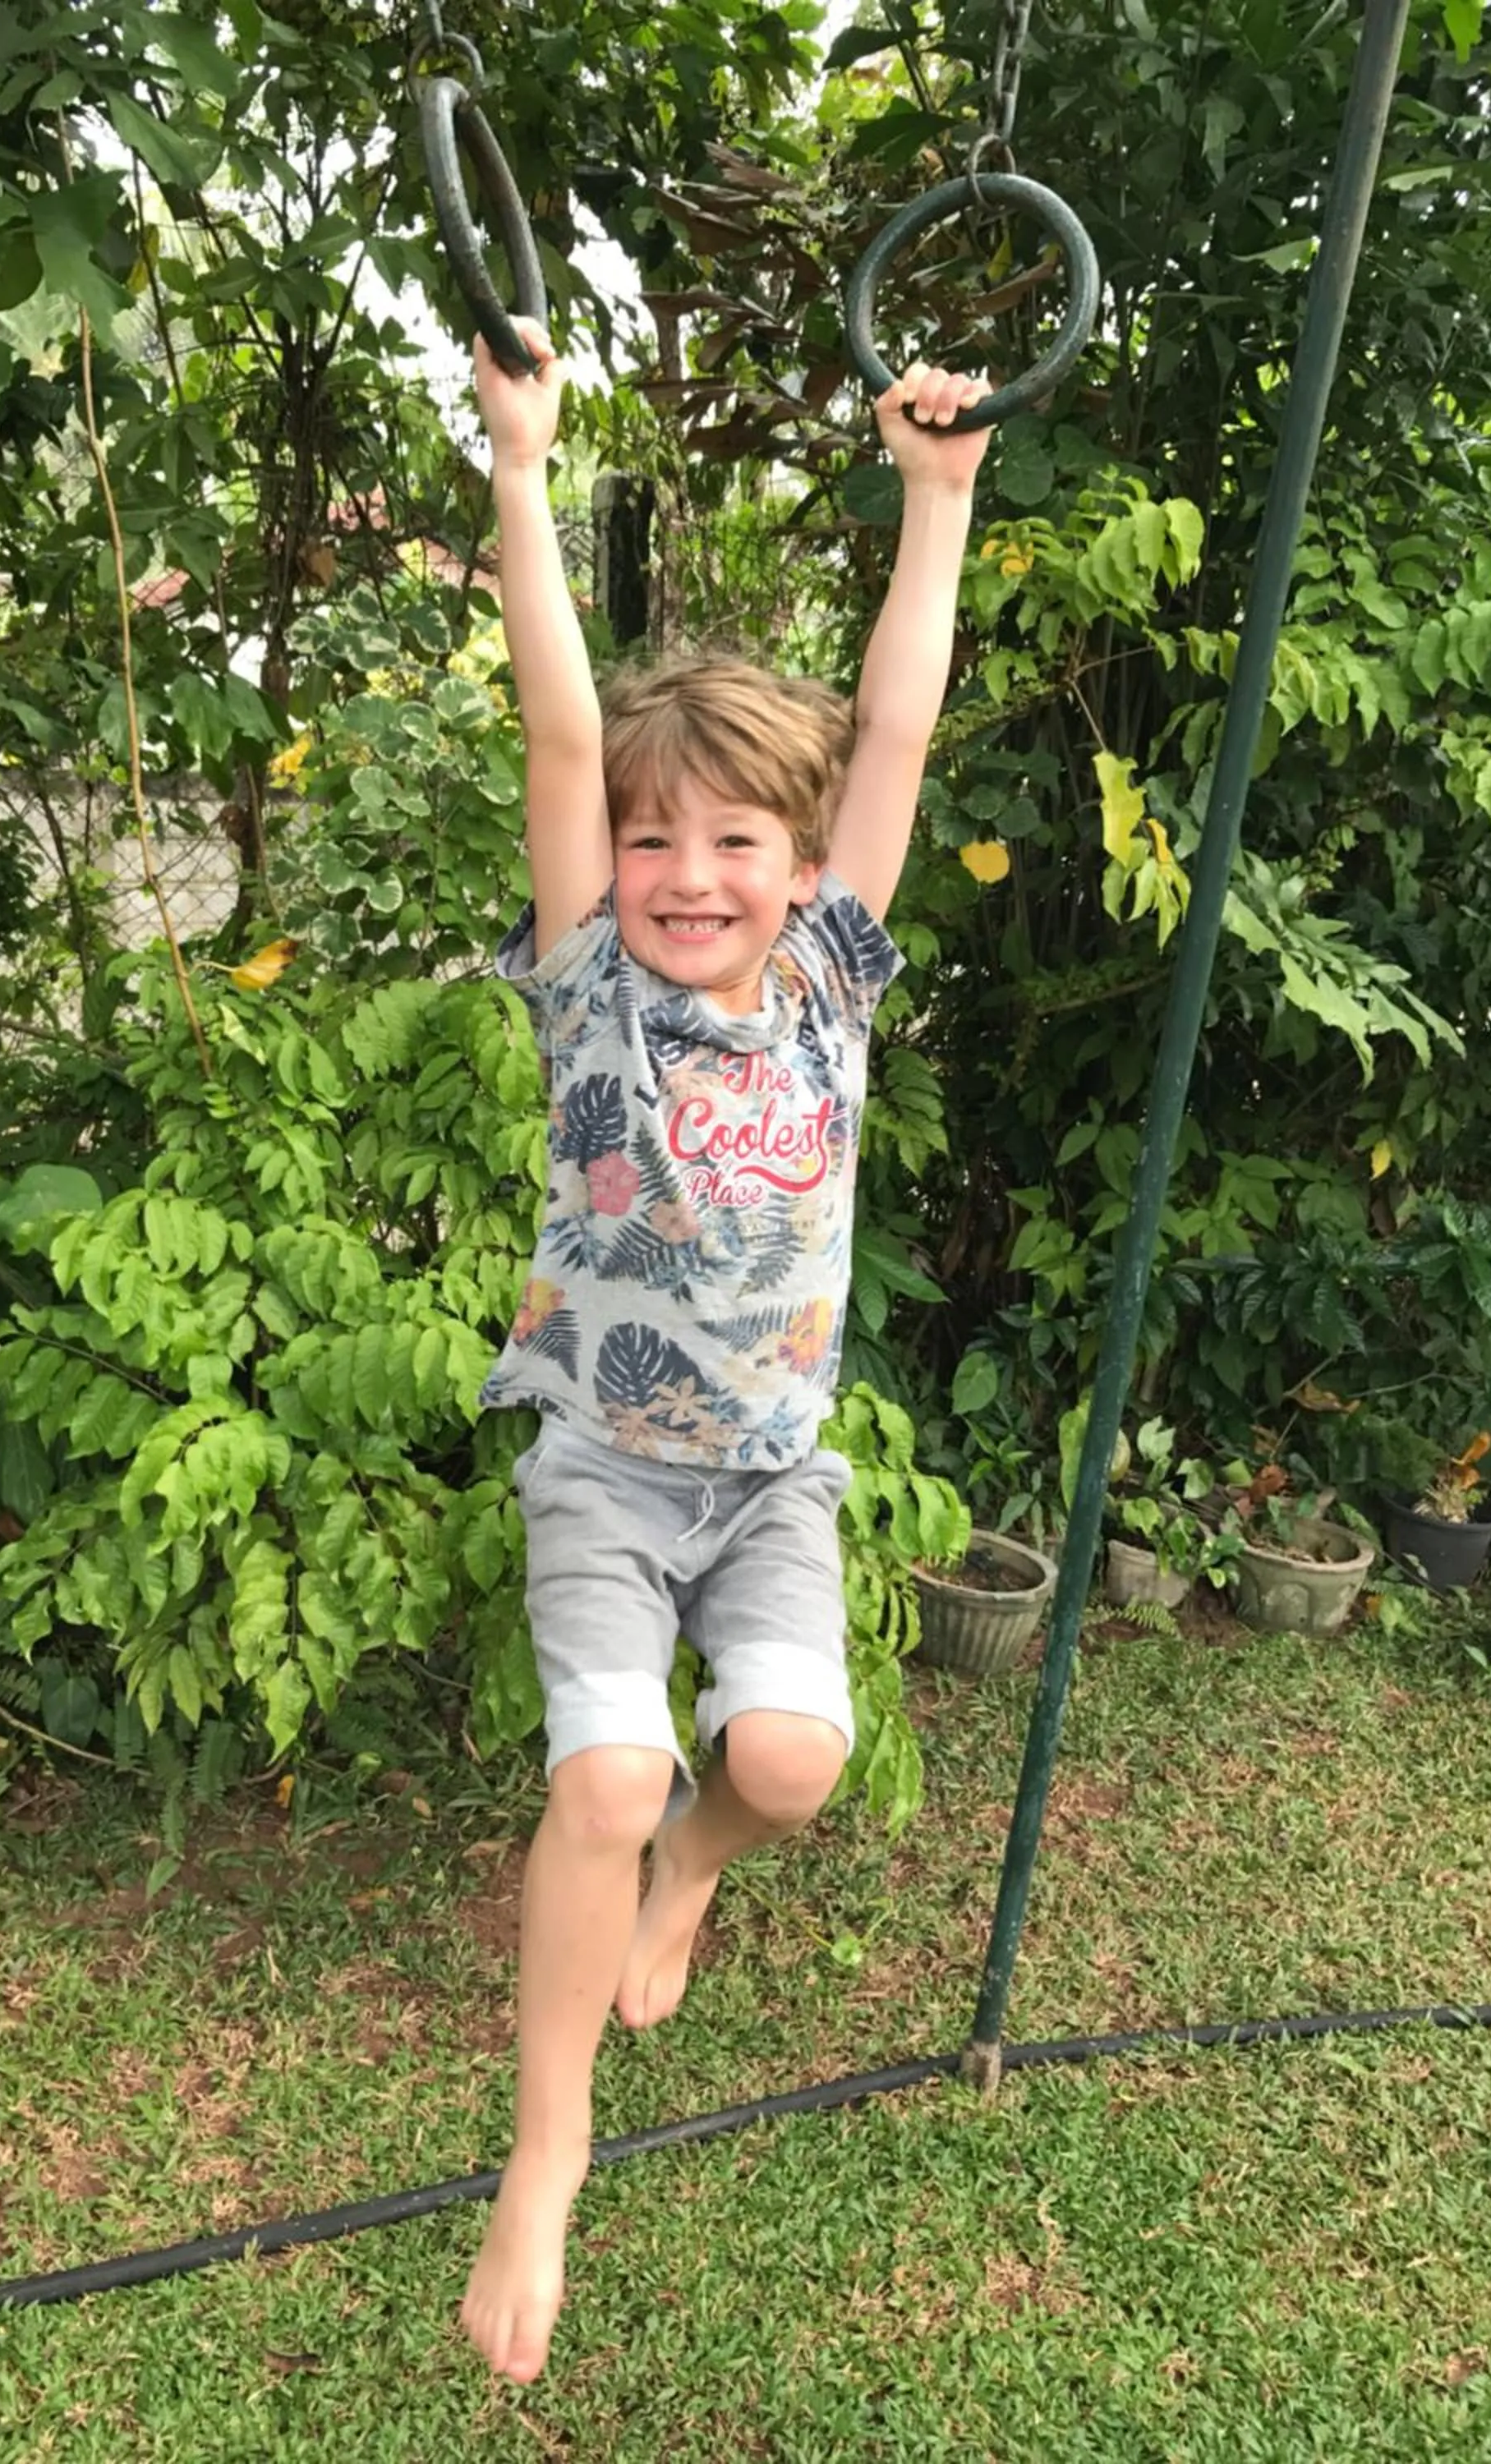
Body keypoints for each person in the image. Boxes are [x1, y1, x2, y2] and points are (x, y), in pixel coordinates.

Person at [461, 319, 992, 2384]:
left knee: (786, 1765)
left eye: (734, 846)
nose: (690, 876)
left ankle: (695, 1871)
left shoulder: (837, 984)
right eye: (661, 843)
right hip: (605, 1459)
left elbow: (888, 736)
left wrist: (934, 500)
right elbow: (566, 736)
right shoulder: (595, 980)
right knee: (601, 1774)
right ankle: (546, 2158)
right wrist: (523, 471)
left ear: (793, 874)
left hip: (771, 1472)